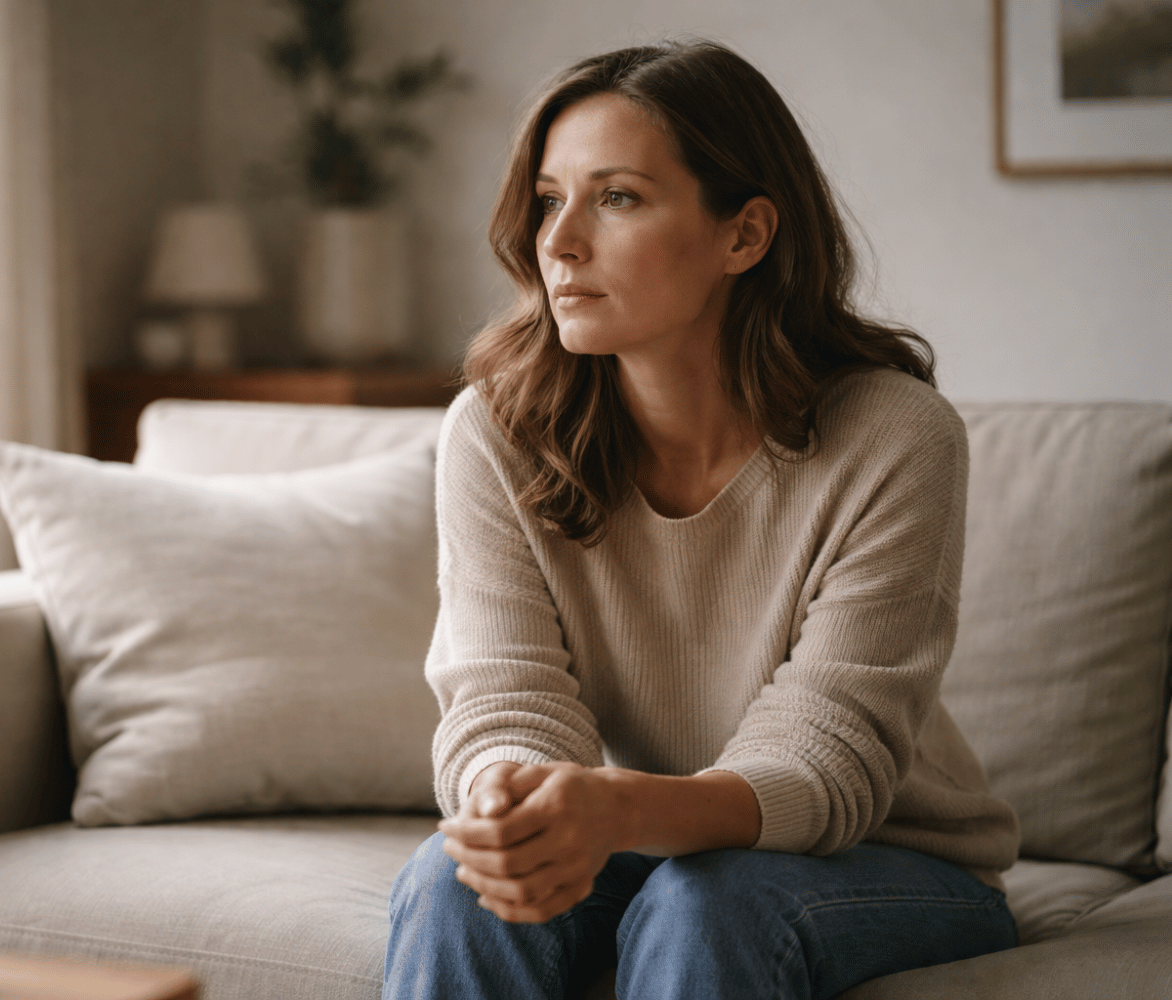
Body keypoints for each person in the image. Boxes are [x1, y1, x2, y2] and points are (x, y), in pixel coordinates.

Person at [383, 40, 1021, 1000]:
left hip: (888, 859)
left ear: (745, 235)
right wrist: (513, 810)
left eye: (619, 198)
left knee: (711, 899)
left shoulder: (893, 435)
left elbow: (825, 759)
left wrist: (611, 810)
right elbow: (501, 699)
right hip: (644, 844)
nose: (558, 243)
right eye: (551, 199)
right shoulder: (498, 430)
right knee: (452, 882)